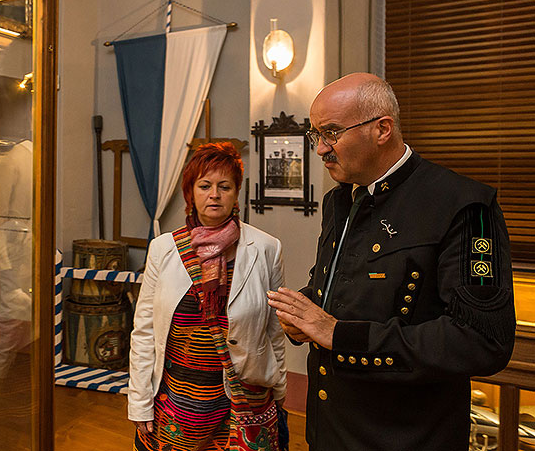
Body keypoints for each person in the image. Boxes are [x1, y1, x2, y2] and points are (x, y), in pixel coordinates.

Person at [267, 73, 516, 450]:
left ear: (382, 129)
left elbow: (482, 341)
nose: (320, 149)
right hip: (332, 430)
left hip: (406, 436)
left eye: (332, 132)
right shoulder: (341, 201)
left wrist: (338, 334)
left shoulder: (461, 204)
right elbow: (352, 288)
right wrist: (304, 312)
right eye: (316, 135)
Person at [128, 142, 289, 451]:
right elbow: (145, 332)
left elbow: (274, 330)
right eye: (205, 185)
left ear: (236, 193)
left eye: (224, 186)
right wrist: (139, 401)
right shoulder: (164, 249)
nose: (214, 194)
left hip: (245, 400)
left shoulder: (267, 248)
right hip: (179, 403)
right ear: (191, 193)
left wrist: (279, 388)